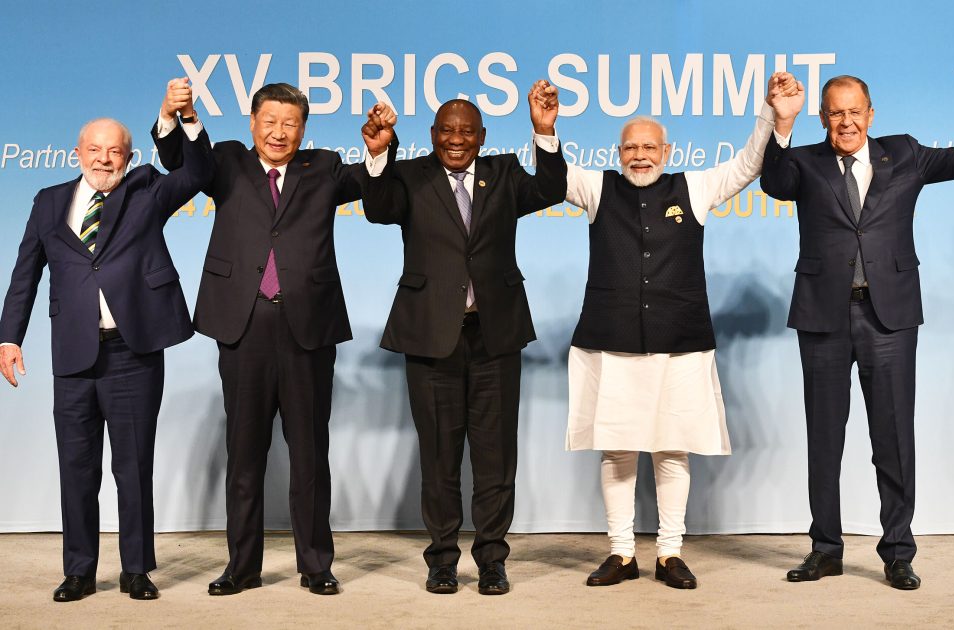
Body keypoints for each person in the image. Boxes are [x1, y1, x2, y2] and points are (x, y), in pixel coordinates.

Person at [760, 44, 954, 590]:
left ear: (871, 114)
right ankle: (825, 548)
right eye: (835, 113)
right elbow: (773, 183)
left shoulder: (906, 154)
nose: (846, 121)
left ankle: (897, 551)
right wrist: (782, 123)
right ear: (824, 118)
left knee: (892, 437)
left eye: (855, 111)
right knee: (824, 438)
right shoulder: (803, 161)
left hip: (889, 318)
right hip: (824, 317)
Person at [548, 73, 802, 589]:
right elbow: (553, 176)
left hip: (681, 342)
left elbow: (750, 163)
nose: (640, 156)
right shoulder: (598, 187)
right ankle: (621, 552)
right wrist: (546, 129)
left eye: (649, 147)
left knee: (672, 447)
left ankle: (669, 553)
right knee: (617, 449)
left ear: (667, 150)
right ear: (618, 152)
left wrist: (775, 116)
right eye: (630, 148)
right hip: (611, 341)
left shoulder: (696, 186)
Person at [152, 82, 396, 596]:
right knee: (244, 453)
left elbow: (375, 196)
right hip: (243, 324)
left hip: (307, 326)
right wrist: (181, 117)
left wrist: (378, 151)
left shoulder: (324, 166)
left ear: (303, 128)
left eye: (290, 123)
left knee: (309, 453)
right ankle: (241, 566)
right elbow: (180, 160)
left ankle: (315, 564)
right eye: (270, 122)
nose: (279, 133)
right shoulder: (226, 162)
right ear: (251, 122)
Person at [0, 81, 212, 602]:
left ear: (129, 154)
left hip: (132, 351)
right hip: (73, 353)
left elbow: (201, 173)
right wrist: (9, 338)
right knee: (76, 467)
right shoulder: (48, 202)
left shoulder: (146, 190)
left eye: (115, 150)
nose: (104, 159)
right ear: (77, 153)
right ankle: (79, 571)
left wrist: (179, 115)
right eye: (94, 150)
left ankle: (136, 569)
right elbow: (25, 274)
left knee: (133, 467)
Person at [359, 87, 567, 595]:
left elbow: (552, 189)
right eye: (447, 131)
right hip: (431, 337)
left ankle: (493, 560)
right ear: (432, 136)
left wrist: (544, 130)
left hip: (495, 336)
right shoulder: (410, 175)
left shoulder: (506, 174)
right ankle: (442, 560)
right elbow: (378, 208)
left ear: (482, 137)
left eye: (467, 131)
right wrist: (380, 150)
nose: (456, 139)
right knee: (439, 458)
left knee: (495, 459)